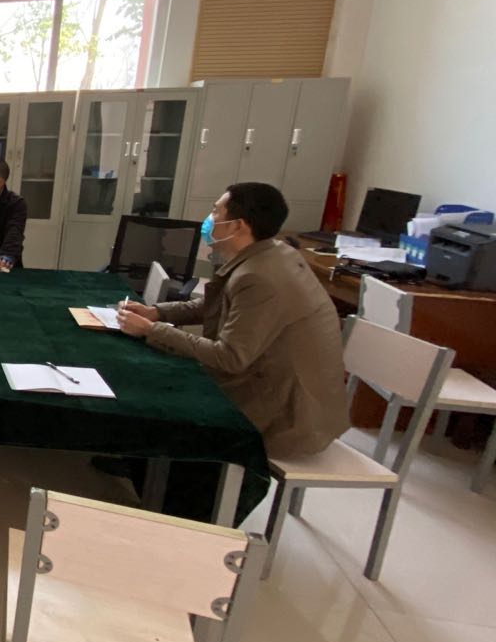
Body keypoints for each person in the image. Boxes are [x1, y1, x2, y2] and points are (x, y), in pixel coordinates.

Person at [115, 182, 349, 461]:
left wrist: (153, 330)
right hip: (290, 395)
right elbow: (215, 303)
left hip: (284, 416)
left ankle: (159, 472)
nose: (209, 219)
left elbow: (229, 357)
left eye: (215, 211)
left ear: (238, 226)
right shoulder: (271, 253)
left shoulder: (259, 277)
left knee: (158, 387)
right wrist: (157, 313)